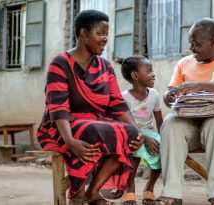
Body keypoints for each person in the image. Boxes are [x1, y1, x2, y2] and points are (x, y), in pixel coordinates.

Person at [36, 10, 144, 205]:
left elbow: (117, 104)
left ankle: (92, 192)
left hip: (96, 124)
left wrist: (137, 132)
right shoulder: (60, 64)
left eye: (106, 34)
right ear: (84, 33)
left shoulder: (105, 66)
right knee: (93, 130)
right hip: (60, 127)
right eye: (100, 33)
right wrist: (70, 141)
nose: (105, 40)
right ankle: (76, 195)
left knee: (129, 133)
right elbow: (58, 107)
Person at [154, 18, 214, 205]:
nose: (192, 49)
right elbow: (168, 94)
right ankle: (171, 194)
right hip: (190, 129)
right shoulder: (183, 63)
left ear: (213, 42)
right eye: (191, 44)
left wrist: (196, 85)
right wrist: (170, 95)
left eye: (197, 44)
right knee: (171, 123)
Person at [117, 56, 163, 205]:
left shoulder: (154, 95)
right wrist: (142, 137)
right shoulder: (124, 97)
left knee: (162, 149)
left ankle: (149, 186)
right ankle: (130, 188)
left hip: (149, 132)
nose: (153, 74)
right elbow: (124, 124)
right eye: (149, 71)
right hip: (131, 133)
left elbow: (159, 120)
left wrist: (163, 138)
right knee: (134, 151)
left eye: (152, 71)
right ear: (135, 76)